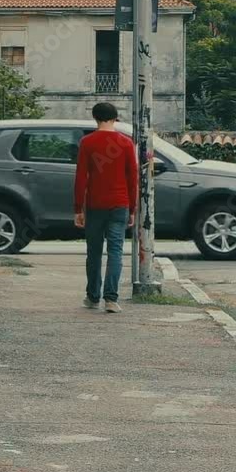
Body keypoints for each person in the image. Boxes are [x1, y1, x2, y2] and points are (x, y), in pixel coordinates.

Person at [74, 102, 138, 313]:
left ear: (95, 117)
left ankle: (93, 297)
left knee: (93, 252)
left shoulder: (87, 142)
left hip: (95, 204)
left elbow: (81, 178)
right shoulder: (126, 143)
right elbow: (133, 178)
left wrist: (78, 209)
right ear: (115, 117)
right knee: (116, 251)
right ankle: (111, 299)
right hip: (120, 204)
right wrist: (132, 209)